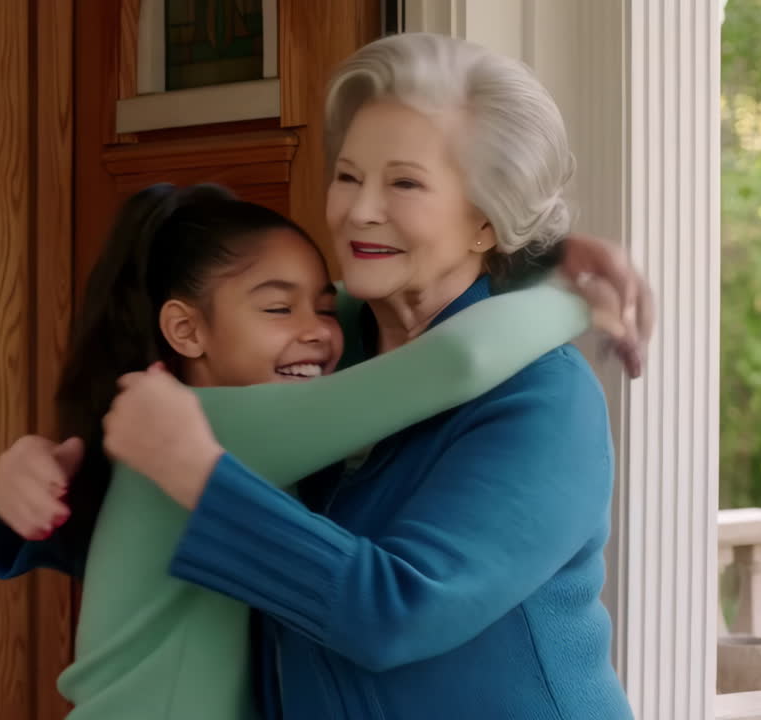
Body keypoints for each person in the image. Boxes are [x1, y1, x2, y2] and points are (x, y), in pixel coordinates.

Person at [93, 33, 637, 718]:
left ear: (484, 223)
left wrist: (202, 481)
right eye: (348, 176)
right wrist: (44, 494)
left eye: (404, 182)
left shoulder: (543, 399)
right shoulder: (316, 345)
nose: (358, 209)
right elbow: (153, 489)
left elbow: (396, 613)